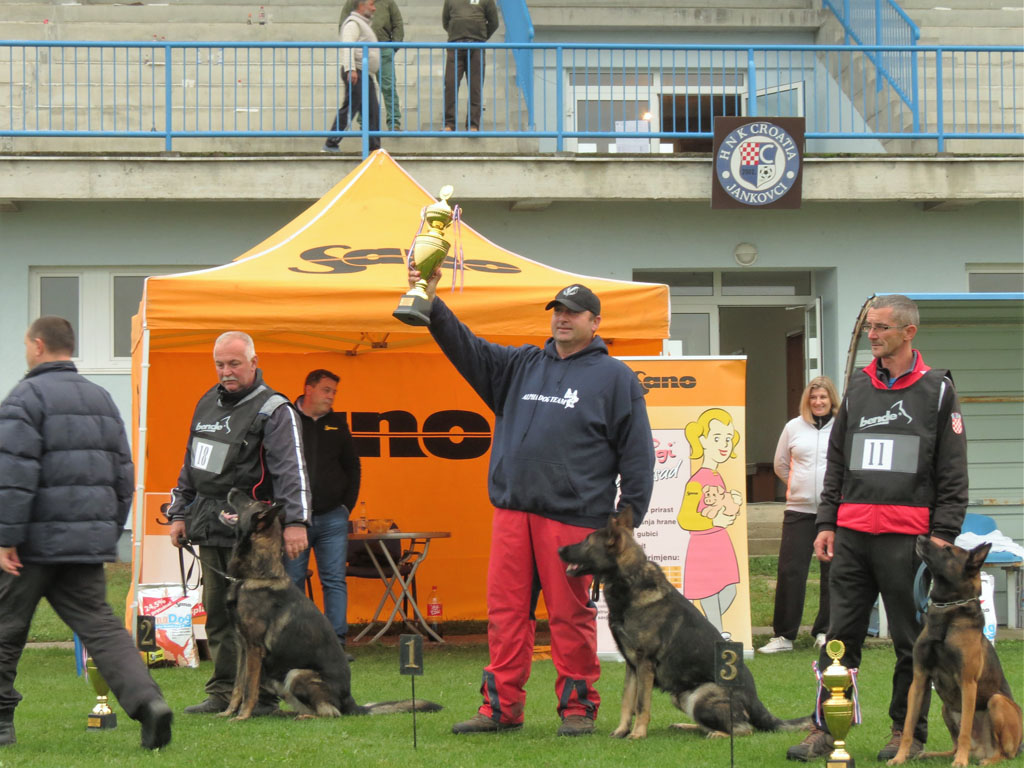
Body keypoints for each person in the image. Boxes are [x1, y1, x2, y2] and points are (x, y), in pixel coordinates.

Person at [410, 266, 655, 737]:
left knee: (570, 616)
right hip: (512, 513)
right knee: (505, 614)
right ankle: (501, 709)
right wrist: (433, 301)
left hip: (575, 521)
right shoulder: (519, 365)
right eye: (558, 311)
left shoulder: (615, 378)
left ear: (595, 322)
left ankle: (578, 709)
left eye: (574, 312)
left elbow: (638, 455)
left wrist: (627, 521)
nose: (563, 319)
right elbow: (467, 347)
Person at [786, 295, 968, 762]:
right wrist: (827, 522)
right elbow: (839, 465)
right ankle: (825, 729)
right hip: (851, 538)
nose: (872, 335)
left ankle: (904, 733)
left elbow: (952, 474)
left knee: (911, 644)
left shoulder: (938, 390)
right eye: (869, 327)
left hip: (909, 542)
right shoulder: (858, 387)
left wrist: (942, 537)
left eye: (881, 327)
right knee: (839, 640)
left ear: (908, 333)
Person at [0, 316, 172, 750]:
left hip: (30, 548)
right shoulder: (100, 399)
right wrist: (107, 531)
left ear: (37, 345)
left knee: (4, 632)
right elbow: (122, 473)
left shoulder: (24, 397)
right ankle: (149, 703)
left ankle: (1, 725)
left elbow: (14, 476)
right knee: (103, 630)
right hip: (84, 546)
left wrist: (5, 537)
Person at [166, 331, 311, 716]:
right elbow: (191, 465)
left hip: (255, 534)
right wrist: (179, 512)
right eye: (220, 364)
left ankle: (262, 696)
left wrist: (296, 523)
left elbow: (291, 470)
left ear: (253, 362)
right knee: (218, 613)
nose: (226, 372)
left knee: (258, 618)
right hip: (209, 521)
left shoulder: (274, 409)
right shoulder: (206, 403)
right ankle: (222, 691)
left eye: (234, 364)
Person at [759, 376, 839, 655]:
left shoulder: (842, 427)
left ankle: (826, 631)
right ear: (807, 400)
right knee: (791, 571)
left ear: (832, 401)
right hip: (799, 510)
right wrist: (797, 485)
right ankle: (784, 635)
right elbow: (781, 464)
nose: (818, 402)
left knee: (833, 572)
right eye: (813, 397)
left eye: (823, 398)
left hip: (834, 512)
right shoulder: (793, 427)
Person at [284, 369, 361, 651]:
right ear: (309, 389)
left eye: (334, 392)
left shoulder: (337, 423)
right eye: (327, 390)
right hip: (294, 520)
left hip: (332, 517)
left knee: (334, 579)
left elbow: (352, 466)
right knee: (292, 580)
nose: (331, 397)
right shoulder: (286, 418)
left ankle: (336, 643)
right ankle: (295, 642)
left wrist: (345, 507)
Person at [677, 408, 743, 637]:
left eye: (727, 438)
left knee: (729, 590)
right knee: (708, 590)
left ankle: (697, 628)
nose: (724, 444)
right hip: (703, 545)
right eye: (717, 438)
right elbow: (685, 518)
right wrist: (714, 519)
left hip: (720, 542)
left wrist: (733, 503)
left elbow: (722, 506)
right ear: (703, 441)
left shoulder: (717, 476)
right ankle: (716, 634)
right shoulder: (696, 481)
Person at [323, 0, 381, 152]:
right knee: (350, 108)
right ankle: (331, 143)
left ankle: (374, 148)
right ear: (361, 6)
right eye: (371, 4)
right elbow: (347, 46)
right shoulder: (353, 24)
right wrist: (350, 69)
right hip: (357, 72)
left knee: (372, 111)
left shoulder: (362, 24)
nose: (374, 8)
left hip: (363, 73)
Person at [341, 0, 404, 131]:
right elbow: (344, 23)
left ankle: (394, 122)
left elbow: (398, 23)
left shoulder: (388, 3)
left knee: (388, 87)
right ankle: (364, 124)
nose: (374, 8)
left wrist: (393, 47)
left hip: (384, 50)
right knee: (362, 90)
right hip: (361, 54)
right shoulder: (353, 2)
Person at [441, 0, 499, 132]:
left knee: (475, 87)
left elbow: (494, 23)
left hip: (476, 47)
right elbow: (446, 21)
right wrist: (456, 33)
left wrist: (481, 36)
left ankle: (473, 125)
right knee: (450, 85)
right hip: (455, 47)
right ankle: (449, 124)